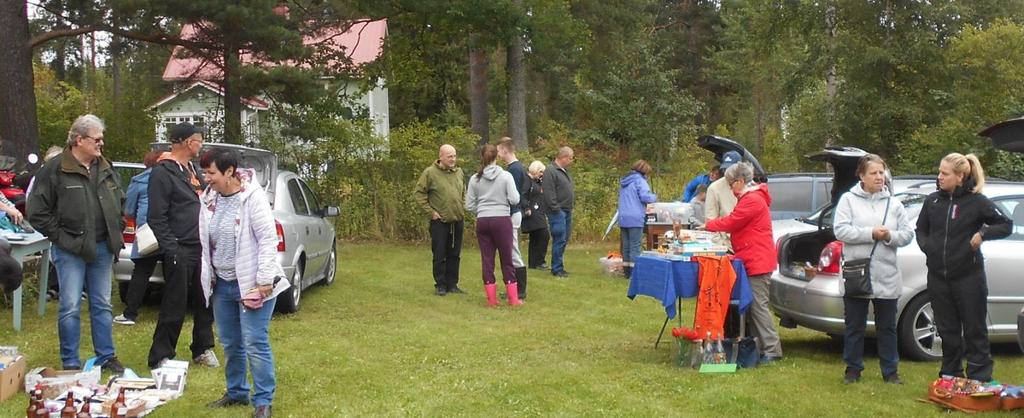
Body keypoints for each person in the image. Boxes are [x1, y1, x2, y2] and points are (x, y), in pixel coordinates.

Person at [26, 114, 126, 373]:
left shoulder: (106, 167)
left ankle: (107, 356)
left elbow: (120, 201)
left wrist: (118, 228)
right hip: (70, 250)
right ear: (78, 140)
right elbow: (37, 212)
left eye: (101, 139)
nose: (101, 143)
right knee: (70, 306)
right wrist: (62, 239)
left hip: (103, 247)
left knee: (103, 304)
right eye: (96, 138)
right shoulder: (54, 170)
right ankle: (70, 361)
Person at [199, 149, 289, 418]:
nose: (206, 178)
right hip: (223, 284)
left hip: (253, 284)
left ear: (229, 171)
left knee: (254, 341)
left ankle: (263, 401)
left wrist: (262, 283)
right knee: (230, 342)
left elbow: (267, 241)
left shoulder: (253, 197)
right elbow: (207, 243)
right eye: (204, 172)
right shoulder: (209, 199)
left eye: (211, 173)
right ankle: (236, 391)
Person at [916, 153, 1011, 383]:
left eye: (945, 173)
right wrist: (928, 247)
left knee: (974, 329)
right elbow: (921, 229)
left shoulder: (977, 201)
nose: (939, 177)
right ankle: (950, 373)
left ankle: (979, 376)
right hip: (939, 277)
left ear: (960, 177)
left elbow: (1005, 224)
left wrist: (982, 233)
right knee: (947, 329)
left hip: (969, 276)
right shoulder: (933, 201)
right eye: (939, 172)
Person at [833, 154, 914, 384]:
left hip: (886, 274)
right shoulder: (848, 200)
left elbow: (908, 235)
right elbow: (840, 231)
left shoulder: (894, 203)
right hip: (857, 272)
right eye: (874, 173)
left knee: (887, 327)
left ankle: (890, 372)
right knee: (854, 326)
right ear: (861, 176)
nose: (879, 177)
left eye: (882, 172)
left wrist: (889, 235)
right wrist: (870, 233)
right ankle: (853, 369)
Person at [146, 122, 218, 369]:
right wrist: (171, 248)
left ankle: (203, 348)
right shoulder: (163, 172)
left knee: (204, 299)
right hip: (179, 247)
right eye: (199, 140)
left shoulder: (193, 171)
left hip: (202, 246)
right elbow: (156, 216)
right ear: (188, 142)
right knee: (175, 302)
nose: (201, 145)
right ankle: (161, 354)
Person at [704, 162, 782, 365]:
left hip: (757, 260)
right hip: (752, 258)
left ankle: (772, 350)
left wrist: (708, 225)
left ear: (740, 181)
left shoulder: (752, 200)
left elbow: (732, 222)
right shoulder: (751, 197)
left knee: (758, 307)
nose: (730, 188)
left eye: (731, 184)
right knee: (755, 306)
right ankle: (761, 346)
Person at [465, 144, 522, 307]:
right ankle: (513, 299)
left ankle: (492, 300)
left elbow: (469, 205)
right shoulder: (505, 176)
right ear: (496, 157)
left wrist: (482, 209)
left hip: (483, 220)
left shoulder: (475, 178)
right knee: (507, 259)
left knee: (487, 259)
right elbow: (515, 199)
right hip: (502, 219)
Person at [114, 150, 165, 326]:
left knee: (141, 273)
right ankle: (170, 312)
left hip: (147, 234)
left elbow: (128, 211)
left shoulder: (139, 181)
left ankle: (130, 314)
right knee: (173, 275)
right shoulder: (175, 179)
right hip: (170, 233)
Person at [414, 144, 466, 296]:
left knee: (455, 254)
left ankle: (453, 284)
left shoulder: (459, 172)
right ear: (441, 156)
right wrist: (431, 212)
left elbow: (463, 191)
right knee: (439, 253)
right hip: (439, 222)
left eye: (454, 156)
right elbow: (419, 194)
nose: (453, 159)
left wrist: (462, 205)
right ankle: (440, 284)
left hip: (457, 219)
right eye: (449, 156)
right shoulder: (430, 173)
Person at [497, 138, 529, 299]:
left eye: (499, 150)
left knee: (513, 250)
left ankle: (520, 290)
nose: (498, 154)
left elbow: (513, 195)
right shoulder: (515, 168)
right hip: (514, 212)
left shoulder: (514, 170)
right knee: (511, 250)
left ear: (505, 150)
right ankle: (515, 287)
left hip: (513, 212)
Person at [618, 160, 657, 279]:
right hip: (635, 217)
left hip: (623, 216)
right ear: (644, 172)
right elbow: (645, 197)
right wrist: (654, 196)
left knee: (626, 245)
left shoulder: (625, 181)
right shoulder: (640, 181)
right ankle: (634, 273)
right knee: (635, 245)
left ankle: (626, 272)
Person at [542, 146, 575, 278]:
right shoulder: (550, 171)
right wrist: (556, 209)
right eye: (570, 158)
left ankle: (559, 266)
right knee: (559, 238)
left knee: (564, 239)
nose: (571, 161)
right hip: (557, 211)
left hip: (567, 210)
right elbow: (549, 193)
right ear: (564, 157)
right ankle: (556, 268)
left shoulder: (564, 171)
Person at [705, 151, 742, 250]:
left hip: (746, 245)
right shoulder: (714, 188)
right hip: (726, 246)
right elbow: (710, 220)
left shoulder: (748, 186)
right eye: (726, 168)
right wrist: (721, 246)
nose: (728, 171)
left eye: (732, 168)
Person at [521, 161, 550, 270]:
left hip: (539, 211)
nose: (542, 174)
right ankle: (539, 261)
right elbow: (523, 195)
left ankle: (533, 263)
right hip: (532, 212)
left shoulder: (537, 182)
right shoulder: (527, 181)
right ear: (535, 170)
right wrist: (526, 207)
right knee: (544, 234)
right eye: (540, 171)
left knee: (536, 237)